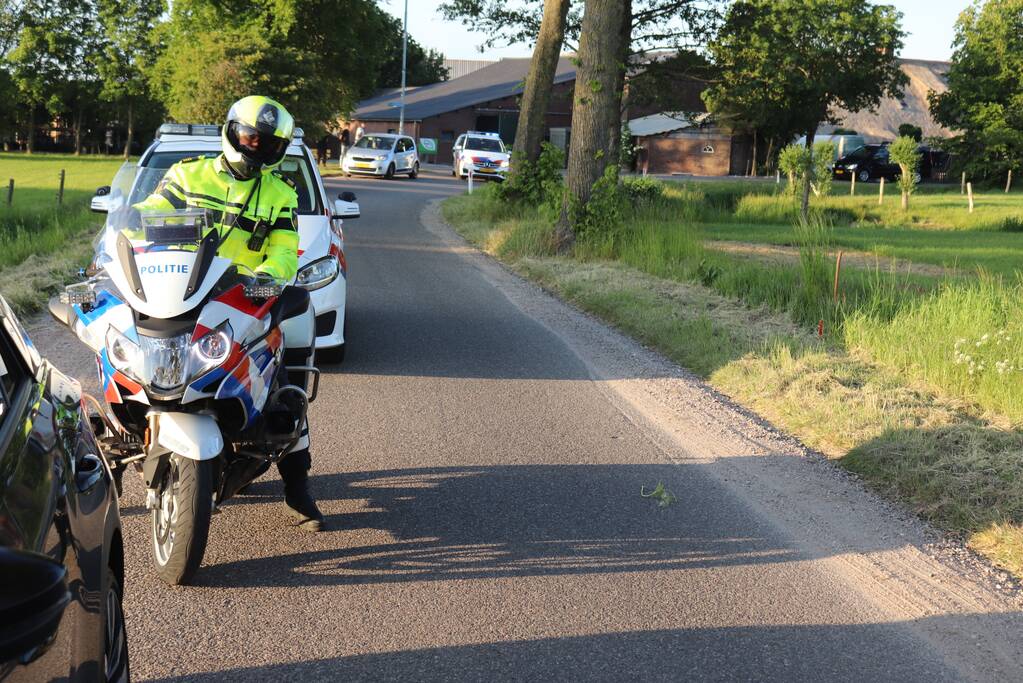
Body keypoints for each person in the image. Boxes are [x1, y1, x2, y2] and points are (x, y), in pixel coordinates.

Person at [136, 95, 325, 531]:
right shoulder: (187, 174)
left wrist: (269, 278)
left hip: (245, 297)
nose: (257, 148)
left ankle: (297, 487)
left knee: (288, 380)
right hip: (182, 291)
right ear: (232, 131)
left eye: (269, 143)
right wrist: (120, 246)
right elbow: (146, 218)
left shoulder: (280, 193)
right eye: (250, 137)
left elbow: (283, 251)